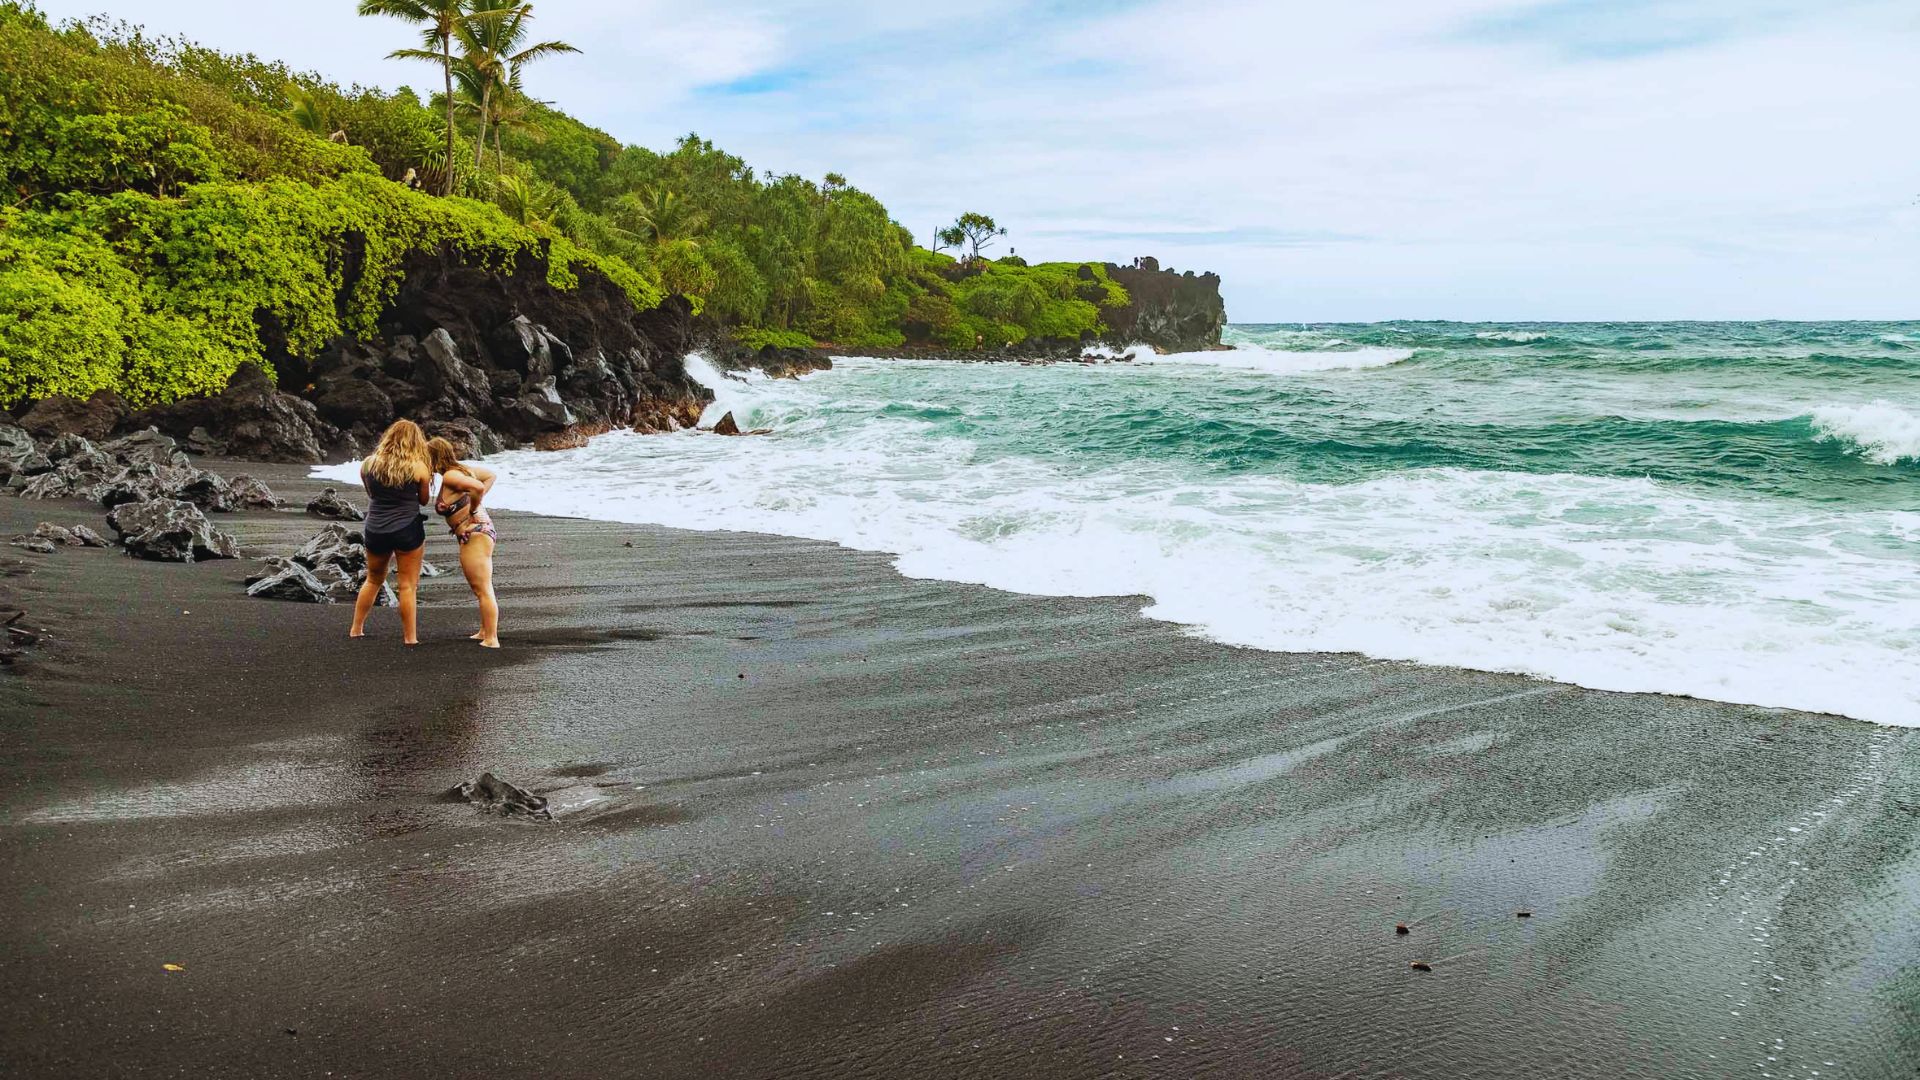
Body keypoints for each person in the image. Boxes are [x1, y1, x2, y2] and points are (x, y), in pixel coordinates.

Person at [351, 419, 432, 644]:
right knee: (407, 585)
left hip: (375, 527)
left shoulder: (368, 464)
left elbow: (371, 495)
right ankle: (410, 638)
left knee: (373, 579)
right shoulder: (418, 468)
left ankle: (356, 629)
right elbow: (424, 500)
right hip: (407, 528)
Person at [427, 437, 500, 648]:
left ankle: (491, 638)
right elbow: (490, 476)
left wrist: (474, 509)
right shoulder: (461, 470)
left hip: (476, 533)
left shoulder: (451, 475)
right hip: (480, 532)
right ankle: (484, 630)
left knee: (483, 588)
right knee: (480, 587)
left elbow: (477, 487)